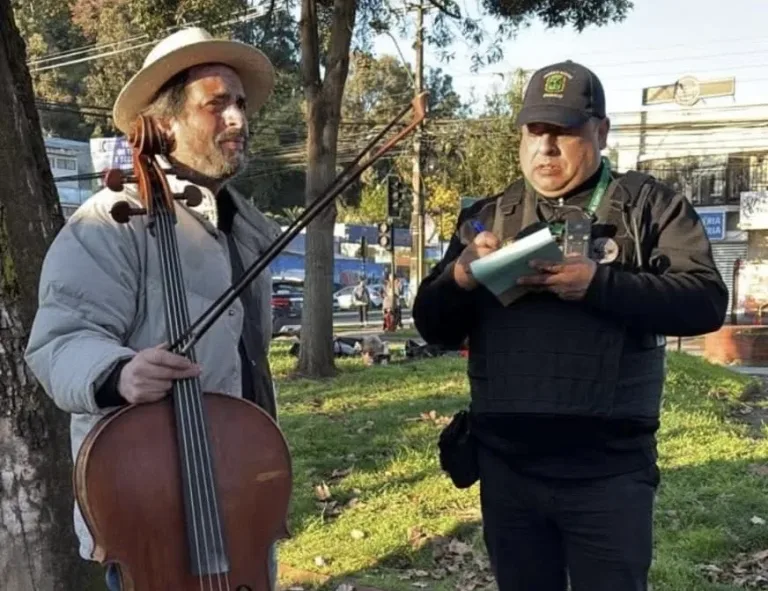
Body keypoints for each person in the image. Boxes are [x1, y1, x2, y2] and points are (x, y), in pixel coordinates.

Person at [413, 61, 728, 591]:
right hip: (509, 471)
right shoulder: (488, 218)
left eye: (564, 132)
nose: (546, 148)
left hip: (608, 474)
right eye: (535, 132)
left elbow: (704, 303)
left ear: (601, 132)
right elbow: (433, 326)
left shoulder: (650, 208)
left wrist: (600, 286)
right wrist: (462, 276)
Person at [24, 27, 283, 591]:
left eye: (240, 103)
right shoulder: (110, 221)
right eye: (217, 104)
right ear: (165, 124)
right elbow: (60, 339)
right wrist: (119, 372)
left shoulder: (243, 225)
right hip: (153, 500)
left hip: (239, 496)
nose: (238, 118)